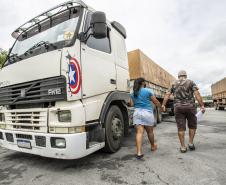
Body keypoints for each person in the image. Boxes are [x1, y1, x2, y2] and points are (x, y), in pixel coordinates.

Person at [162, 70, 205, 153]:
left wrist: (163, 105)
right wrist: (202, 105)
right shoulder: (191, 82)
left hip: (178, 107)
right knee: (192, 126)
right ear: (185, 75)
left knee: (180, 127)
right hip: (190, 107)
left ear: (178, 76)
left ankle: (182, 147)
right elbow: (197, 94)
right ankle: (191, 143)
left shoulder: (173, 83)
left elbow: (167, 94)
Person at [129, 78, 162, 159]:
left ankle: (139, 152)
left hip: (137, 113)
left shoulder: (133, 93)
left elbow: (131, 104)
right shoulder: (148, 91)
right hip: (147, 113)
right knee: (150, 132)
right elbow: (155, 101)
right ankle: (153, 146)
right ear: (142, 83)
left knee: (139, 133)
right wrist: (161, 107)